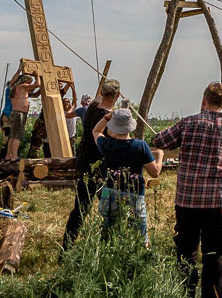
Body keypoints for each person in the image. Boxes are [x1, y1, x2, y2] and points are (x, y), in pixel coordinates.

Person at [153, 83, 222, 298]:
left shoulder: (188, 123)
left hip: (187, 201)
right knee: (215, 256)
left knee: (186, 252)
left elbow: (159, 141)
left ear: (203, 100)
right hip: (216, 203)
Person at [64, 78, 122, 249]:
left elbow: (99, 99)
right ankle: (110, 247)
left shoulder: (90, 109)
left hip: (84, 162)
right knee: (111, 210)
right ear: (118, 95)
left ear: (101, 93)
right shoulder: (110, 118)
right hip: (100, 167)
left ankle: (66, 247)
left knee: (80, 208)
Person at [91, 108, 162, 243]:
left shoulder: (107, 144)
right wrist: (160, 156)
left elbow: (96, 131)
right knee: (140, 236)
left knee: (108, 233)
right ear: (130, 126)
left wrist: (109, 116)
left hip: (110, 192)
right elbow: (155, 172)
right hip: (134, 195)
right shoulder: (140, 146)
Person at [1, 71, 34, 163]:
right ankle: (11, 156)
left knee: (11, 135)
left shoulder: (19, 90)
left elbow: (34, 94)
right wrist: (19, 70)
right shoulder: (13, 87)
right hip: (11, 114)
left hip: (12, 114)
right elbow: (13, 81)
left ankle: (8, 156)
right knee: (14, 136)